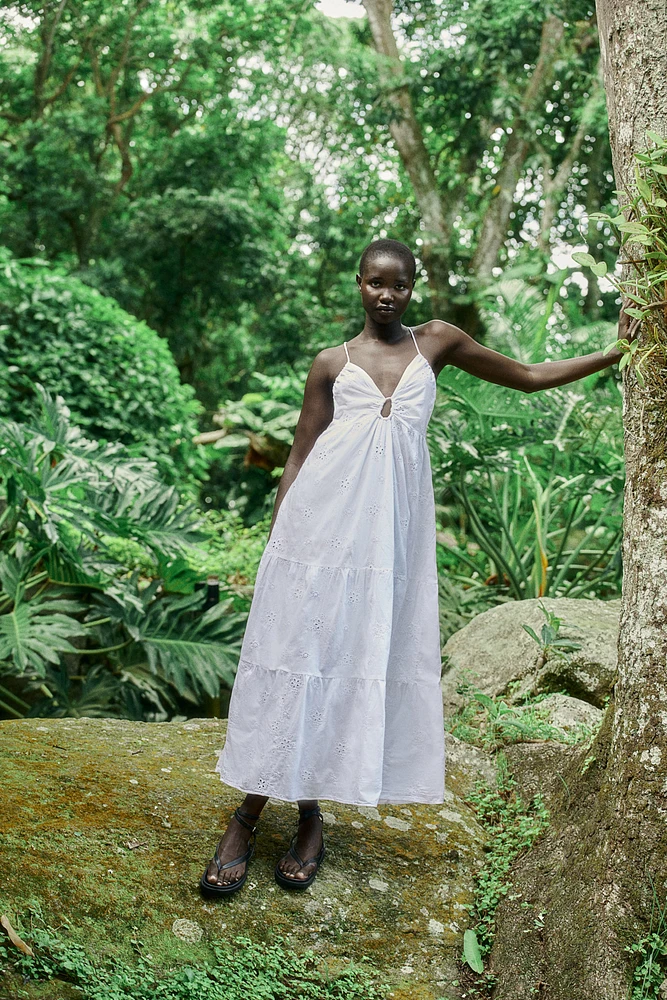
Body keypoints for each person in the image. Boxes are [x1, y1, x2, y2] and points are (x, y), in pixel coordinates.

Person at [200, 238, 630, 896]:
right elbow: (299, 455)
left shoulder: (437, 345)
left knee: (348, 666)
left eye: (398, 285)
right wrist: (276, 543)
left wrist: (617, 350)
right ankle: (246, 817)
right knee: (300, 663)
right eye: (375, 282)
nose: (385, 294)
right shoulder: (329, 364)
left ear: (412, 287)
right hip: (315, 543)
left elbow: (531, 375)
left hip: (383, 555)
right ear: (358, 283)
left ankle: (311, 814)